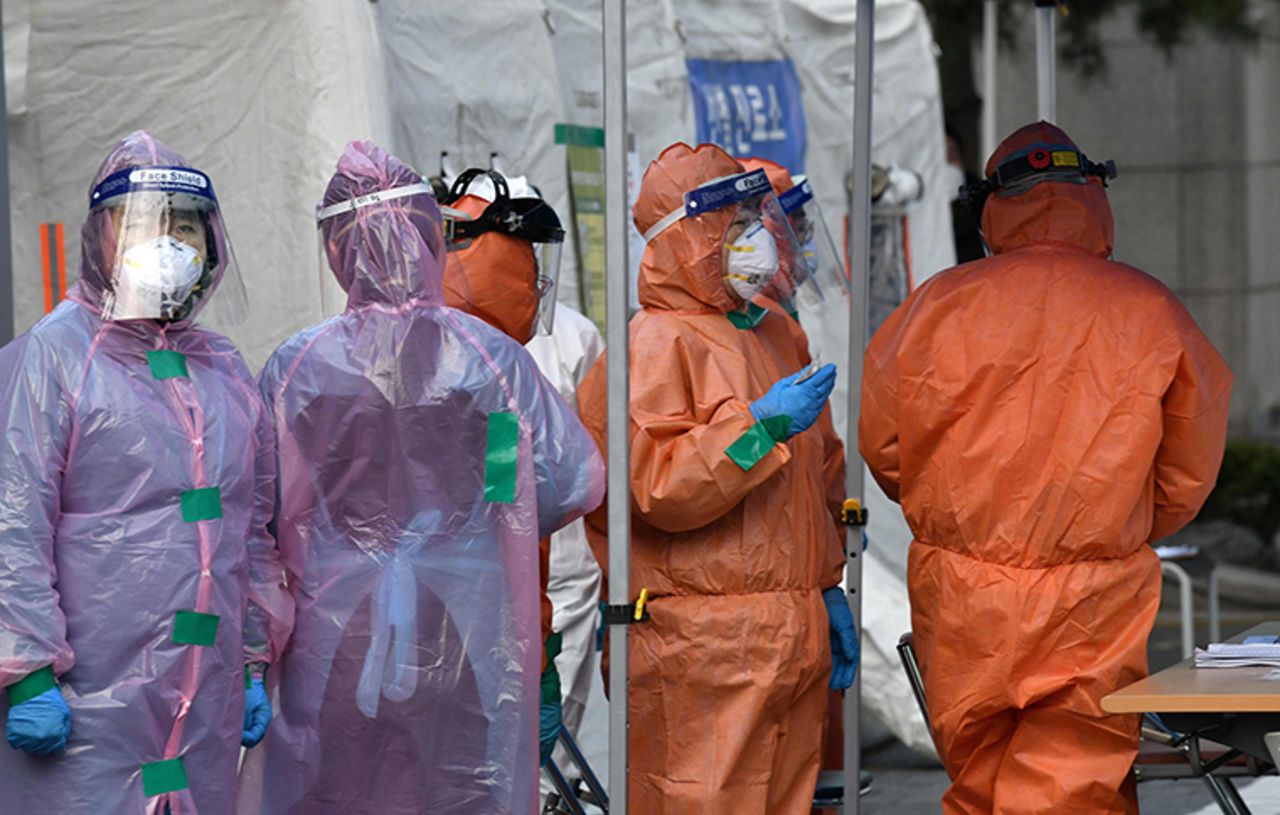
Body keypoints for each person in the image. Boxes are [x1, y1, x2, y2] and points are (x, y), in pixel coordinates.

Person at [859, 121, 1233, 814]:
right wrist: (1114, 527)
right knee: (1075, 786)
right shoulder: (1149, 309)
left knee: (976, 783)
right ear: (1095, 199)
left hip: (961, 592)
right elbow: (1188, 466)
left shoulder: (933, 307)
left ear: (993, 206)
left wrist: (958, 513)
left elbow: (885, 446)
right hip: (1092, 599)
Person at [236, 141, 604, 815]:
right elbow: (563, 483)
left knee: (337, 792)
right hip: (462, 627)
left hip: (335, 634)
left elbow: (258, 506)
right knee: (456, 788)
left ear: (336, 249)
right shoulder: (487, 359)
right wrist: (471, 514)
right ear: (432, 236)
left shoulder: (299, 364)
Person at [0, 131, 291, 813]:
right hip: (85, 713)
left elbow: (251, 531)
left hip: (199, 711)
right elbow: (13, 522)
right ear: (105, 237)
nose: (169, 242)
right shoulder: (55, 357)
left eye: (184, 225)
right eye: (147, 224)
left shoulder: (222, 369)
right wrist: (26, 669)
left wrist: (251, 658)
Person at [576, 142, 856, 814]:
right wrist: (756, 429)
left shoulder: (775, 337)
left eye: (756, 219)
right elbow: (659, 488)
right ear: (693, 236)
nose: (759, 239)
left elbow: (817, 481)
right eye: (738, 225)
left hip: (785, 638)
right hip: (697, 648)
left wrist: (826, 585)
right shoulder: (652, 345)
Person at [436, 169, 608, 786]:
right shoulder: (487, 362)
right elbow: (536, 493)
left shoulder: (567, 338)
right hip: (494, 589)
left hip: (551, 576)